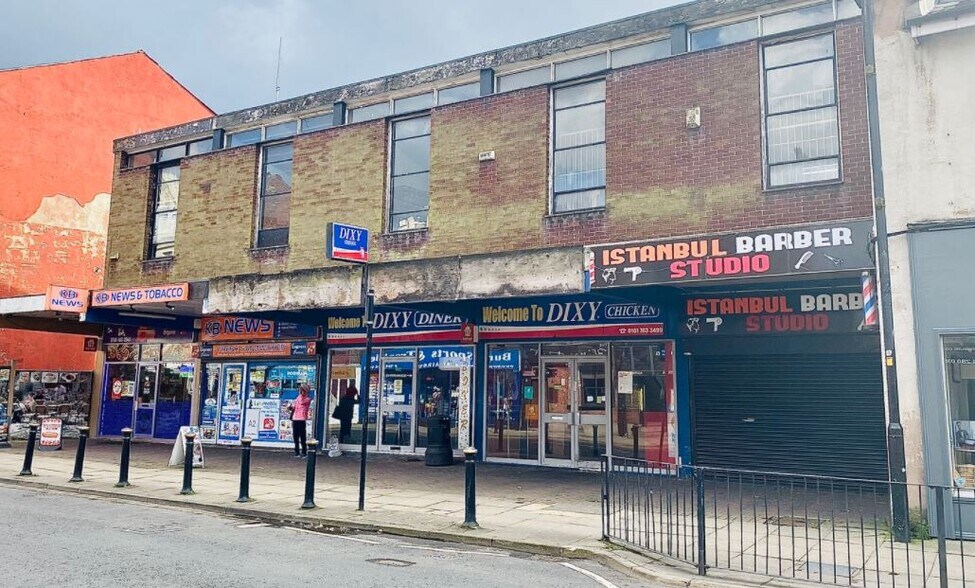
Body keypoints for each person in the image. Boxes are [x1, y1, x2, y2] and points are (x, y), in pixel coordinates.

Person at [291, 383, 313, 457]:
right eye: (300, 390)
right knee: (295, 436)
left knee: (302, 436)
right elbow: (294, 406)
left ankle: (304, 452)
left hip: (301, 419)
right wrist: (290, 407)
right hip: (295, 418)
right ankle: (296, 452)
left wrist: (301, 396)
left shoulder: (307, 399)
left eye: (303, 390)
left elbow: (302, 402)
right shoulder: (298, 397)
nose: (301, 392)